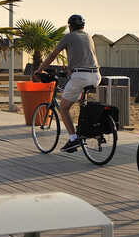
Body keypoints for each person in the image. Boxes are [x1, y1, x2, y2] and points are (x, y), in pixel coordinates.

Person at [35, 14, 101, 153]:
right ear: (83, 26)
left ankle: (73, 139)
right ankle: (86, 129)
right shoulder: (88, 36)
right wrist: (70, 70)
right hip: (95, 76)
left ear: (70, 26)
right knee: (81, 102)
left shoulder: (68, 37)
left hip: (80, 76)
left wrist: (40, 69)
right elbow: (85, 57)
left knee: (64, 108)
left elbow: (53, 55)